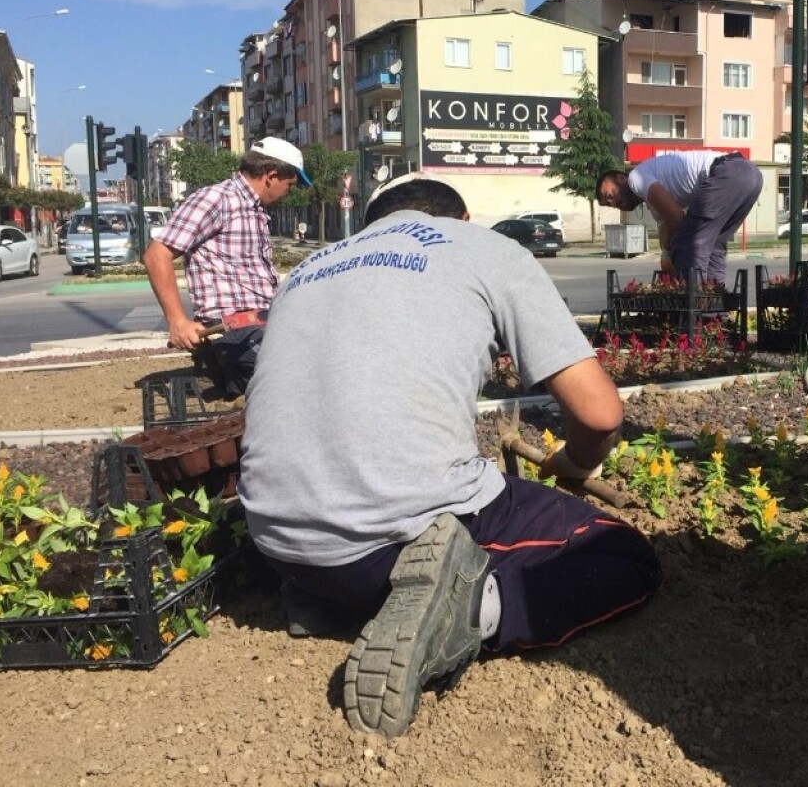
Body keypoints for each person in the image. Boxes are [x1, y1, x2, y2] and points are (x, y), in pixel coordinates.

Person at [238, 177, 662, 740]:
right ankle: (475, 612)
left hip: (281, 545)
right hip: (389, 536)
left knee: (379, 538)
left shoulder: (311, 268)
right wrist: (576, 465)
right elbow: (600, 414)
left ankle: (330, 603)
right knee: (625, 559)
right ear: (461, 220)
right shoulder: (484, 248)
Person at [143, 136, 310, 397]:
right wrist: (177, 321)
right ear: (271, 176)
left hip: (259, 324)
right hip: (233, 331)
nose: (288, 192)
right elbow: (157, 254)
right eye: (289, 184)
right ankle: (218, 368)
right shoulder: (216, 200)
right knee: (296, 378)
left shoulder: (253, 210)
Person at [595, 150, 763, 288]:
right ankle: (715, 317)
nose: (613, 202)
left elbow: (675, 217)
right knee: (715, 246)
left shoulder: (636, 178)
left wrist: (676, 257)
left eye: (609, 195)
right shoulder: (651, 190)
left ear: (621, 178)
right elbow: (665, 226)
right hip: (750, 175)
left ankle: (694, 313)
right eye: (609, 204)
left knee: (688, 244)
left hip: (726, 174)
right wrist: (666, 254)